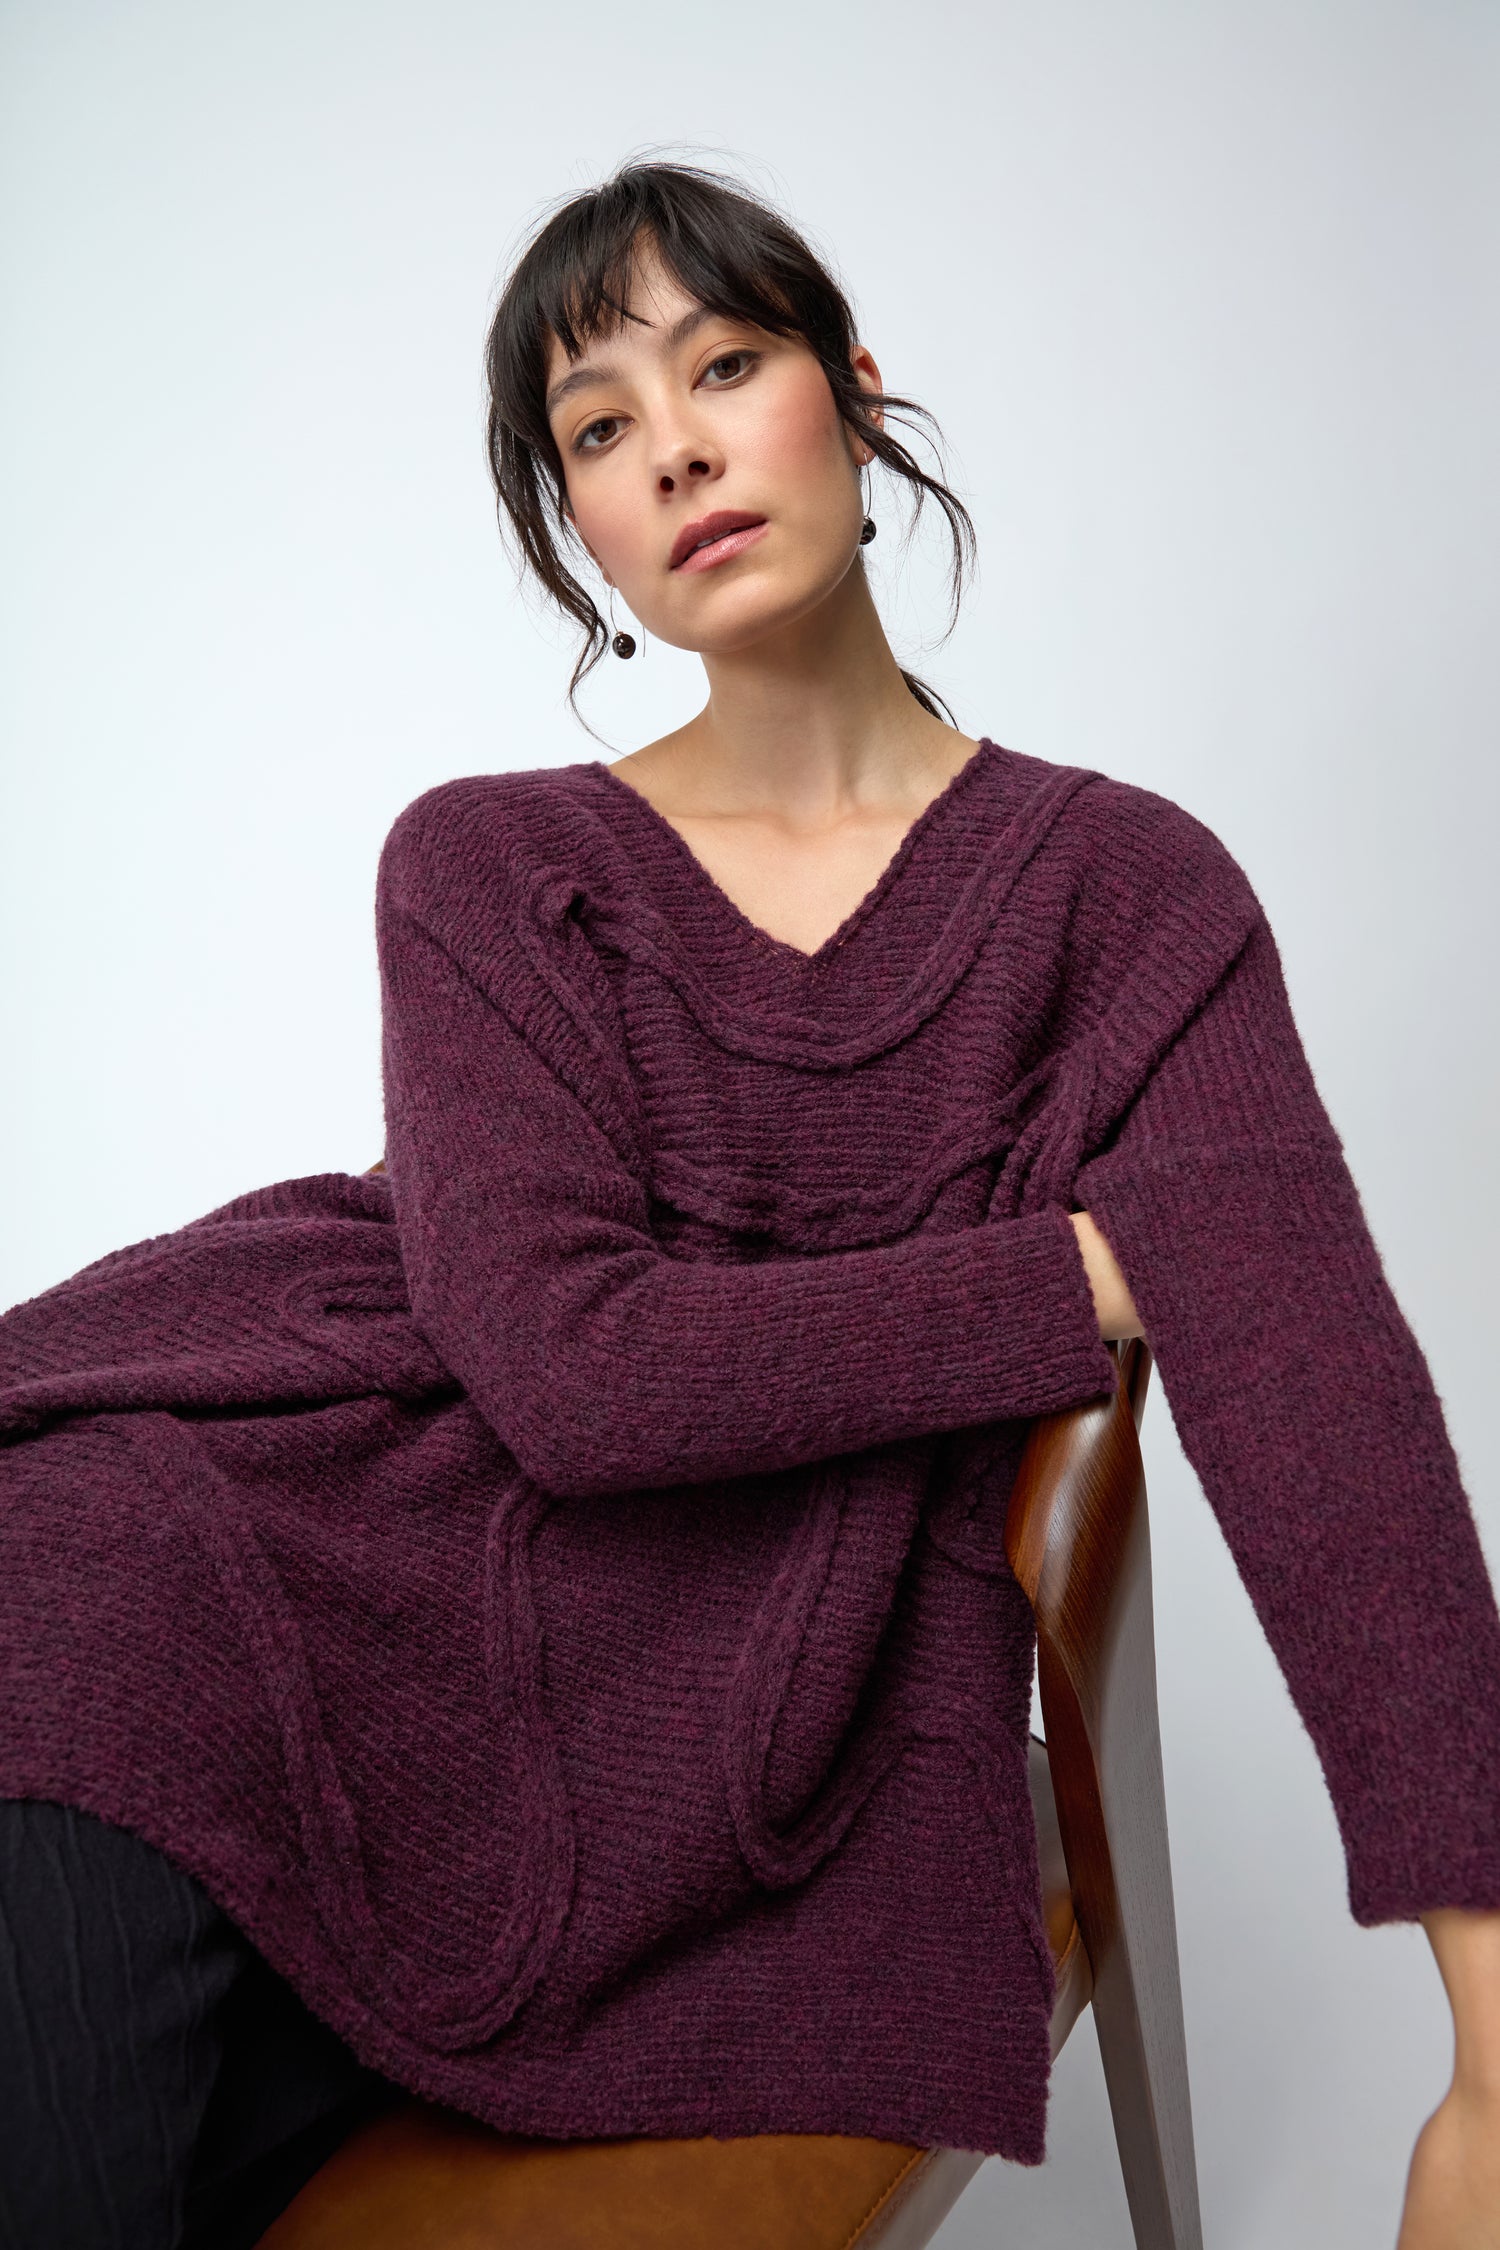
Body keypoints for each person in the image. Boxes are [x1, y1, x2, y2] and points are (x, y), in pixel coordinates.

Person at [2, 159, 1498, 2250]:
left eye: (726, 363)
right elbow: (576, 1376)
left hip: (665, 1740)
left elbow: (1328, 1425)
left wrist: (1490, 2058)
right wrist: (1080, 1269)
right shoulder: (485, 860)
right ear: (577, 528)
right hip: (231, 1562)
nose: (678, 444)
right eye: (601, 428)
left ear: (855, 395)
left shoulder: (1120, 895)